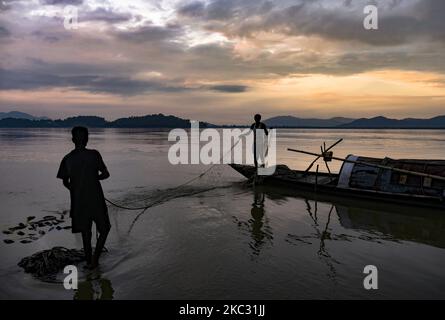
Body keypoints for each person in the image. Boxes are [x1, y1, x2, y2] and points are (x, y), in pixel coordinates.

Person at [57, 126, 111, 269]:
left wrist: (76, 189)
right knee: (105, 229)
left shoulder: (67, 159)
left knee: (85, 232)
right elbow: (106, 174)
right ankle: (94, 261)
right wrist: (94, 179)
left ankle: (89, 261)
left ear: (73, 140)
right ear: (87, 139)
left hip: (78, 201)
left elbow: (65, 182)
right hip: (96, 199)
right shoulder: (94, 154)